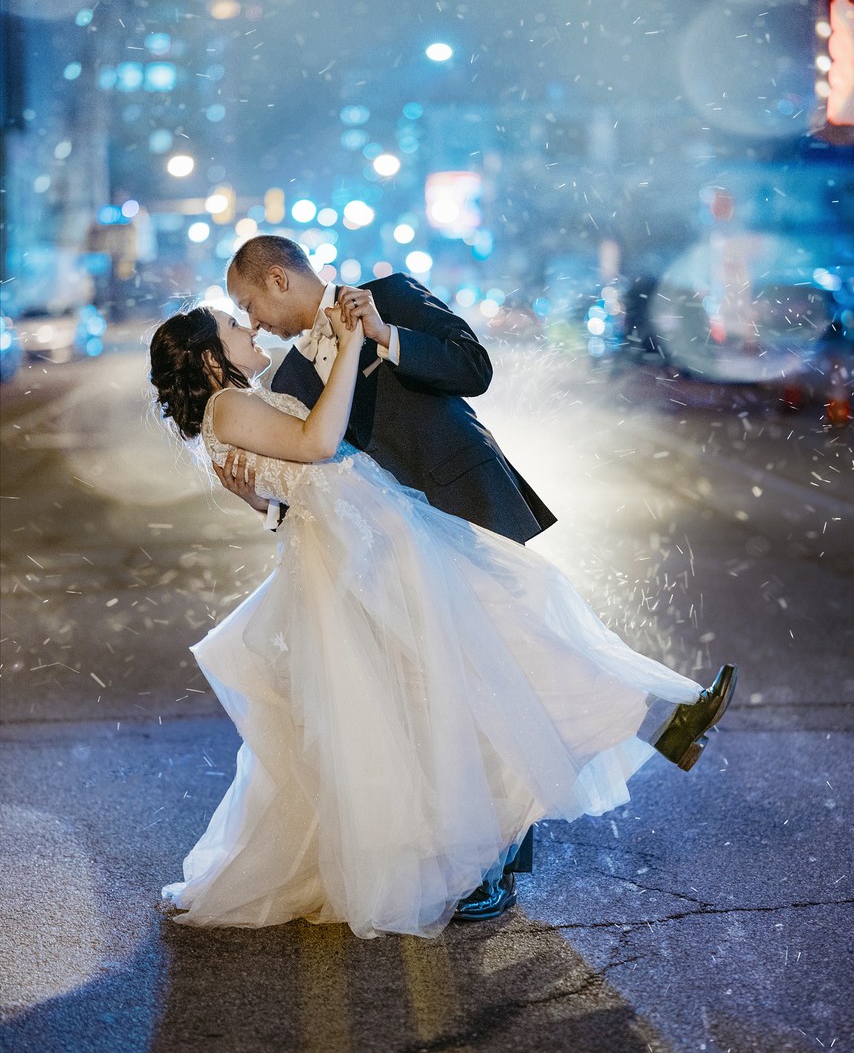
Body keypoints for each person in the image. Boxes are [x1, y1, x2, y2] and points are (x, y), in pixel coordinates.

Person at [148, 302, 737, 940]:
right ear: (210, 359)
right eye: (236, 326)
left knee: (503, 638)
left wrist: (258, 499)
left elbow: (289, 488)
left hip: (377, 536)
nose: (251, 329)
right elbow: (317, 445)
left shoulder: (235, 407)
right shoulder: (227, 407)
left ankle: (658, 716)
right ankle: (650, 724)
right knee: (487, 657)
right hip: (370, 551)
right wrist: (349, 344)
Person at [221, 234, 558, 921]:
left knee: (504, 684)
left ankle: (494, 859)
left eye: (249, 303)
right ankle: (480, 856)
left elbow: (475, 368)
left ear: (280, 279)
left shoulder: (394, 294)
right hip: (398, 553)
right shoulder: (286, 384)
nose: (251, 321)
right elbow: (313, 482)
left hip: (474, 513)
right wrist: (263, 503)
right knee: (453, 699)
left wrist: (385, 334)